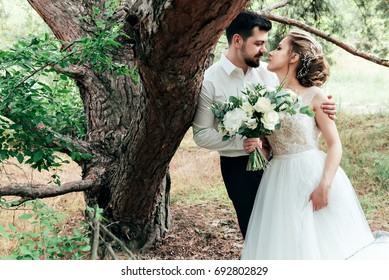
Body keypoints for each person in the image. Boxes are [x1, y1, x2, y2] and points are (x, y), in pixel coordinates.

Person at [241, 29, 388, 259]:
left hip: (312, 176)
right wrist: (256, 147)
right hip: (278, 180)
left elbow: (335, 145)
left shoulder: (315, 96)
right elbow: (269, 147)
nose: (271, 51)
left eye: (279, 48)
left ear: (294, 57)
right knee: (286, 245)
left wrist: (324, 185)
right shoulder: (266, 99)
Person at [192, 10, 337, 239]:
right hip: (240, 168)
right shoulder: (210, 81)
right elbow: (201, 134)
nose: (264, 50)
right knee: (256, 233)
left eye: (267, 44)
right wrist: (243, 142)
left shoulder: (268, 72)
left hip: (280, 165)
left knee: (291, 228)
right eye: (258, 43)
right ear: (238, 40)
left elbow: (297, 97)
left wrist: (326, 106)